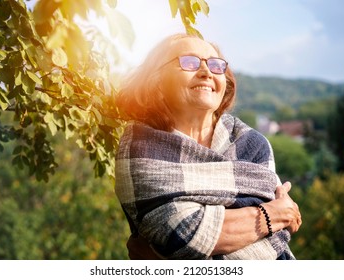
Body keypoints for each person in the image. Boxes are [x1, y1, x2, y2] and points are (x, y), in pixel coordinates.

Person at [114, 33, 302, 260]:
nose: (206, 72)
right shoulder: (141, 145)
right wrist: (271, 215)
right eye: (189, 62)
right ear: (157, 80)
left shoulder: (251, 145)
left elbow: (276, 239)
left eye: (215, 65)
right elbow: (181, 235)